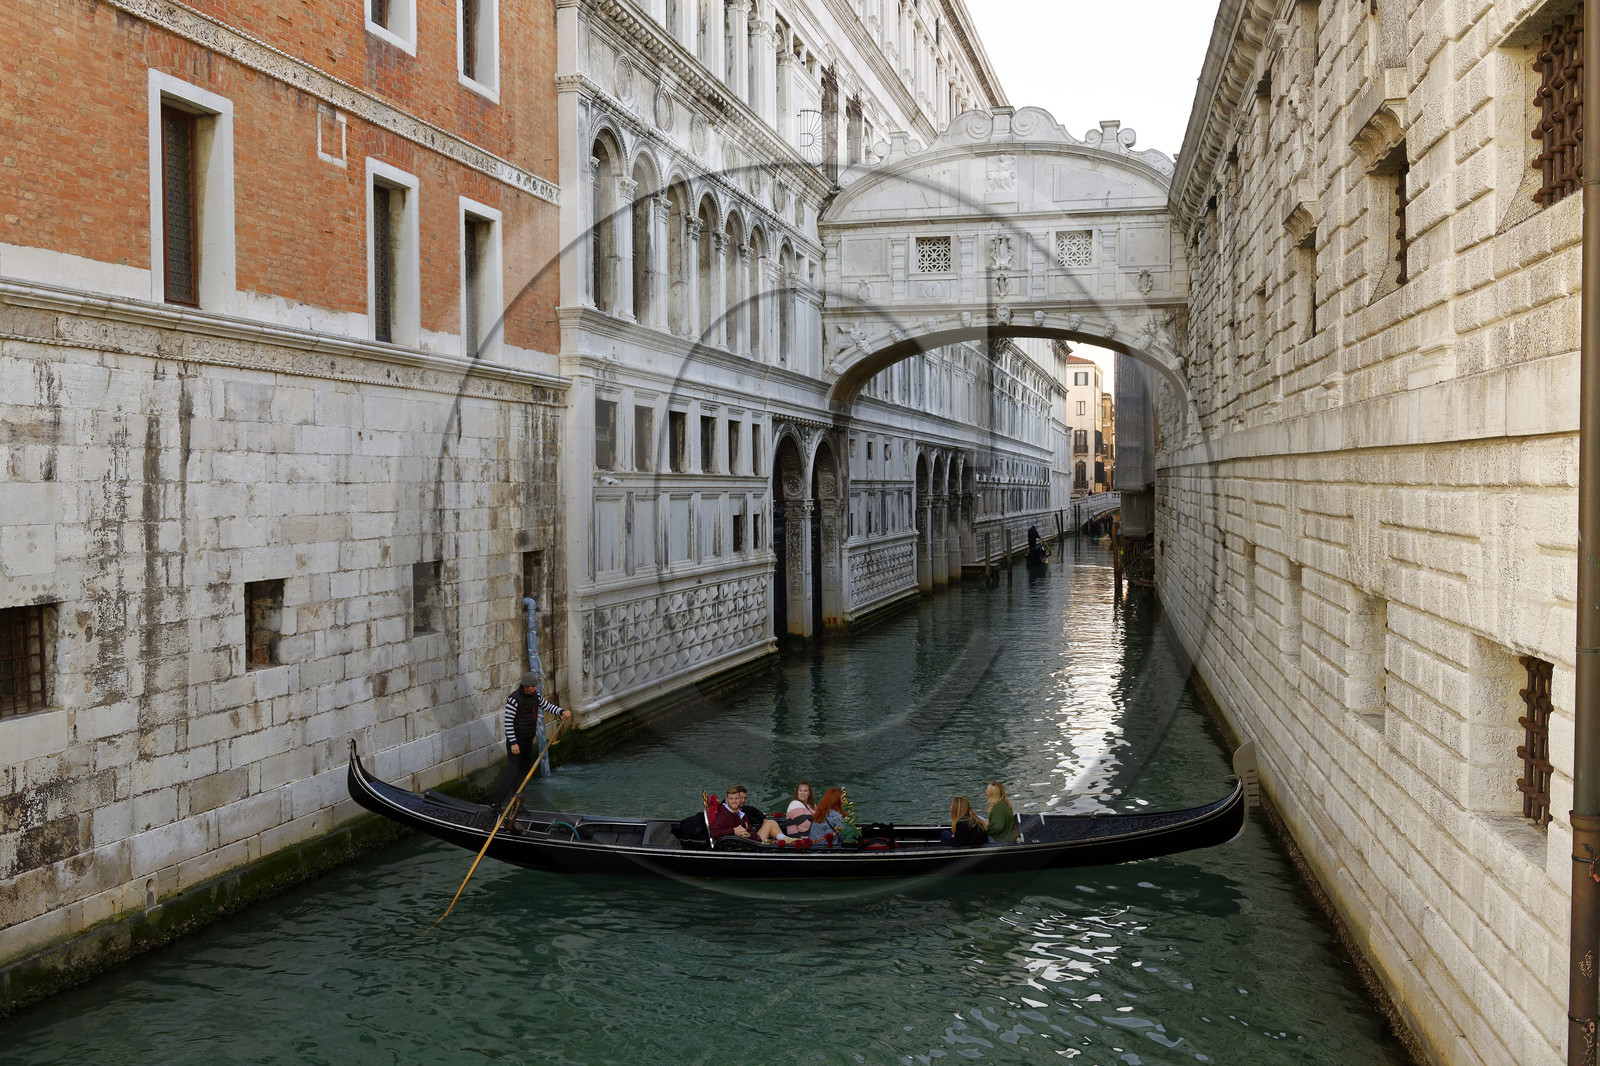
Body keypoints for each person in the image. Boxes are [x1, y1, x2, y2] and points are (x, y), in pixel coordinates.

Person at [497, 671, 571, 806]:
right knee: (513, 772)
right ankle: (495, 803)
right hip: (516, 742)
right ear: (526, 687)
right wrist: (513, 743)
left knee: (524, 773)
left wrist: (561, 711)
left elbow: (547, 706)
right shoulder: (513, 699)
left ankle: (517, 805)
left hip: (527, 741)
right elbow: (508, 723)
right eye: (534, 686)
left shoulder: (535, 697)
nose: (537, 688)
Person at [707, 786, 785, 842]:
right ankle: (785, 840)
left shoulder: (741, 814)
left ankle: (786, 840)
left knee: (771, 822)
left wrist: (749, 835)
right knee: (771, 823)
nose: (734, 801)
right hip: (750, 844)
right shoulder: (724, 815)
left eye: (737, 798)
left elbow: (751, 830)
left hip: (752, 840)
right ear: (727, 800)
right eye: (731, 799)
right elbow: (713, 833)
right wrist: (734, 831)